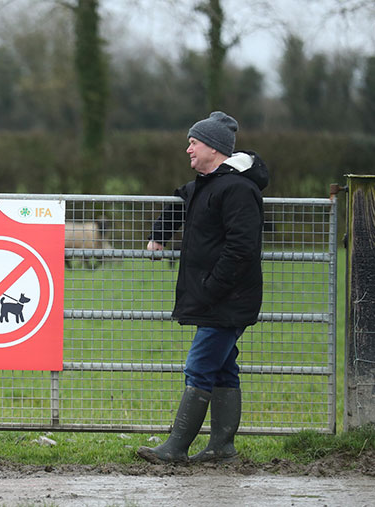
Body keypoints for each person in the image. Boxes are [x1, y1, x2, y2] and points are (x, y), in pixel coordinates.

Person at [137, 111, 269, 464]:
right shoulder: (208, 186)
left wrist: (211, 288)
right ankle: (221, 448)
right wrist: (159, 237)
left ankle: (175, 448)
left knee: (199, 366)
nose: (188, 149)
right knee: (224, 368)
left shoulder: (238, 189)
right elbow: (182, 200)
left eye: (193, 143)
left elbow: (242, 248)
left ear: (213, 147)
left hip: (226, 299)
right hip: (218, 298)